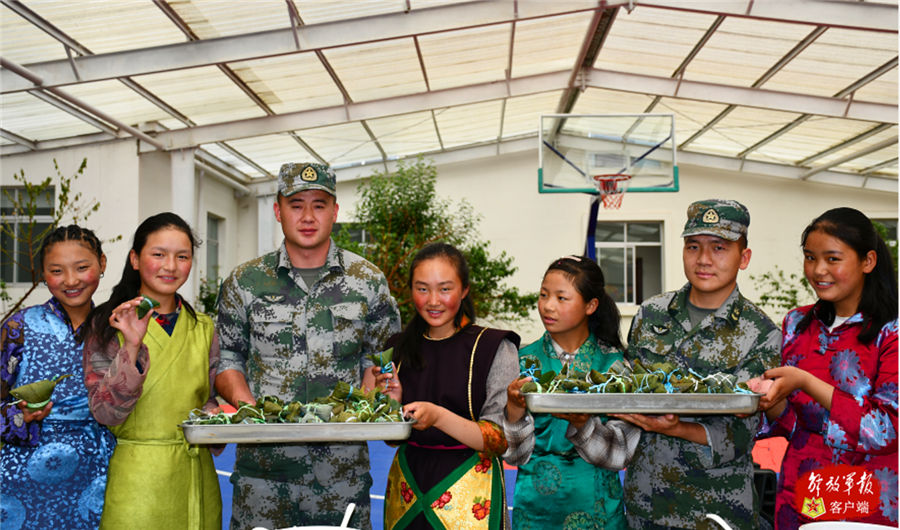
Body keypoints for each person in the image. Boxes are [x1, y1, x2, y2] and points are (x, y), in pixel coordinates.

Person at [215, 162, 401, 530]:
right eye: (296, 204)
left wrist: (369, 397)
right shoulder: (245, 282)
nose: (307, 216)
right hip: (263, 477)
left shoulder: (368, 281)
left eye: (319, 205)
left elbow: (382, 359)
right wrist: (253, 413)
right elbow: (227, 358)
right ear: (277, 210)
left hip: (341, 475)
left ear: (335, 211)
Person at [615, 199, 781, 530]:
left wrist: (675, 428)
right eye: (693, 246)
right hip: (644, 504)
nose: (703, 259)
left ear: (743, 257)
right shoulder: (651, 314)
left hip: (715, 507)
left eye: (719, 247)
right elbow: (626, 386)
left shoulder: (761, 333)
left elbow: (744, 433)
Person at [754, 207, 898, 529]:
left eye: (833, 259)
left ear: (868, 261)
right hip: (799, 497)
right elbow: (794, 428)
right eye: (810, 257)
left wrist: (804, 381)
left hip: (865, 506)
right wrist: (771, 400)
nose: (818, 270)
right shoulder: (796, 323)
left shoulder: (892, 331)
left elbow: (886, 432)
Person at [82, 212, 222, 530]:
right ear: (135, 259)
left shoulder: (203, 327)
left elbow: (210, 399)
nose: (170, 266)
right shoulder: (108, 324)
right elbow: (104, 412)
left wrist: (213, 415)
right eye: (158, 254)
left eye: (182, 256)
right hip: (137, 483)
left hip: (195, 479)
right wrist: (131, 346)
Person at [378, 242, 520, 530]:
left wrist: (439, 416)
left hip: (471, 485)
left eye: (445, 289)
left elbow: (499, 439)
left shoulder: (495, 346)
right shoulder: (395, 348)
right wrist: (392, 404)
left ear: (464, 289)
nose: (433, 300)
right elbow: (391, 438)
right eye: (422, 289)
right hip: (407, 484)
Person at [503, 255, 640, 529]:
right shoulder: (520, 361)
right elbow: (512, 455)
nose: (547, 306)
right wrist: (514, 410)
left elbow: (622, 453)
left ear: (591, 305)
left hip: (597, 507)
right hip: (535, 509)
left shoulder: (614, 365)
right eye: (543, 294)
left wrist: (583, 424)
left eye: (561, 298)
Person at [1, 226, 115, 530]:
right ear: (43, 273)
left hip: (98, 474)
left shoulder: (116, 327)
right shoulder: (18, 327)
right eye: (57, 270)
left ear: (102, 264)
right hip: (25, 478)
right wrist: (17, 416)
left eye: (82, 267)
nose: (71, 280)